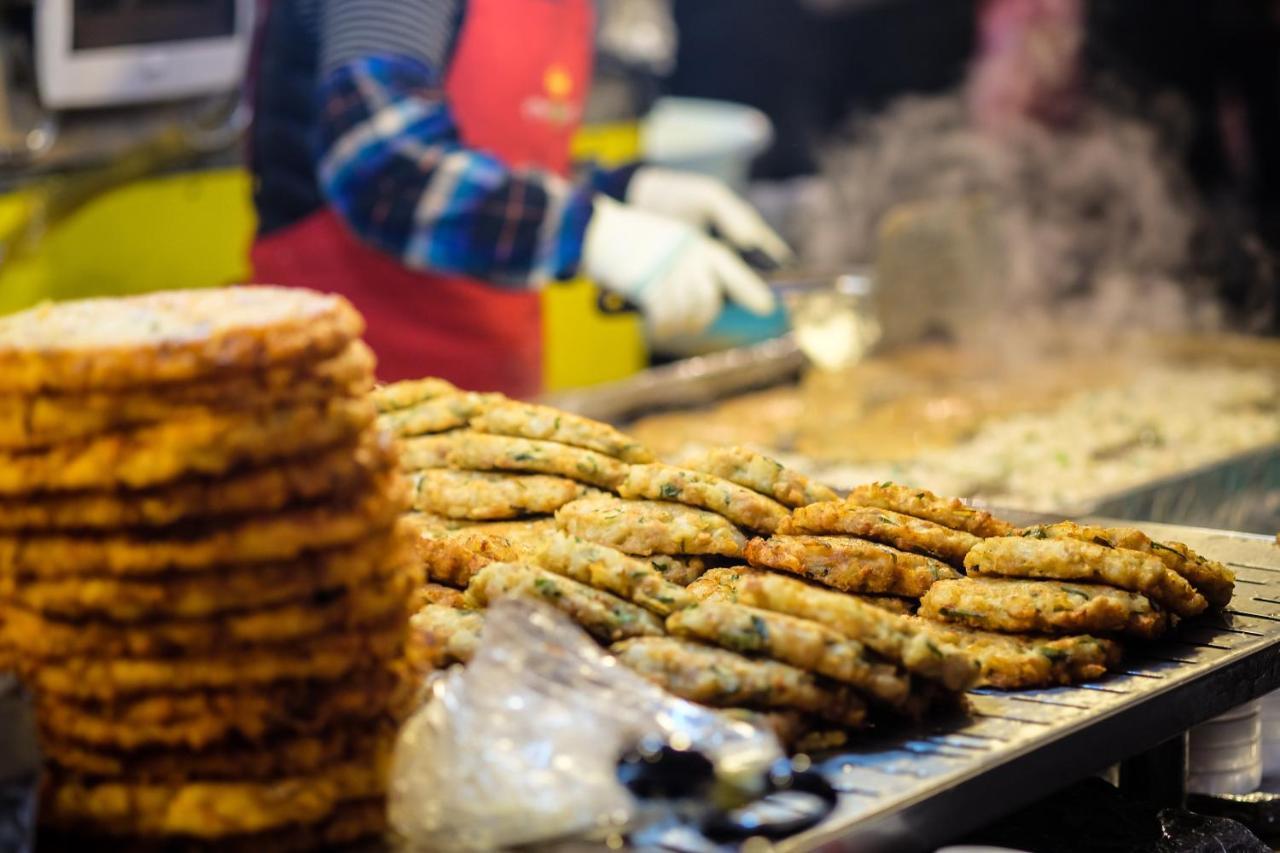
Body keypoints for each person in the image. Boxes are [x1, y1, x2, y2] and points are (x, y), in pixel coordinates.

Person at [248, 0, 789, 396]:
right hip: (347, 392)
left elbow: (485, 153)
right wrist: (592, 231)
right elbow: (383, 166)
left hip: (491, 386)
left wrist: (625, 193)